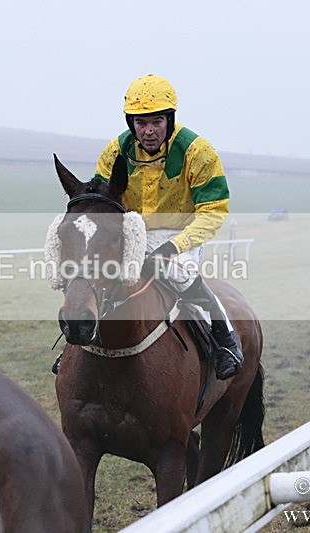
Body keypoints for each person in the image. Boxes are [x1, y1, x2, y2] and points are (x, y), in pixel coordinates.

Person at [93, 74, 243, 380]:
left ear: (170, 120)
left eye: (156, 122)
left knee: (180, 274)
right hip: (132, 232)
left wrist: (175, 246)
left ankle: (225, 341)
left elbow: (213, 211)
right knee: (94, 275)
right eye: (141, 123)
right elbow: (102, 201)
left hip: (181, 234)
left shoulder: (198, 152)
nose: (148, 131)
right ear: (131, 123)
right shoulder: (115, 151)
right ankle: (78, 344)